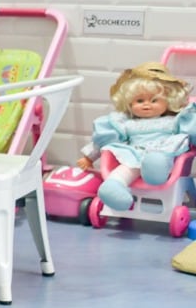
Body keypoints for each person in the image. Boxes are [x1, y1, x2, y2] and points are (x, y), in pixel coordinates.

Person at [75, 62, 195, 210]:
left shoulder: (175, 121)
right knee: (124, 169)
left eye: (154, 100)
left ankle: (154, 170)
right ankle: (113, 189)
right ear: (129, 103)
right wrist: (89, 157)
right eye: (139, 101)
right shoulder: (125, 123)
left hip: (164, 156)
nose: (146, 105)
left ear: (168, 101)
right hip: (134, 155)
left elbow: (190, 133)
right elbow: (104, 140)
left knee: (157, 159)